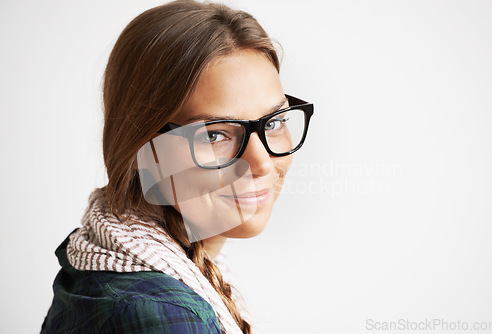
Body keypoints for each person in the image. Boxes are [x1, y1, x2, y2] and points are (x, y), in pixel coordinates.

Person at [41, 0, 313, 333]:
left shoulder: (107, 251)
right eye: (214, 134)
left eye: (273, 122)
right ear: (143, 146)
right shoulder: (159, 316)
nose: (261, 162)